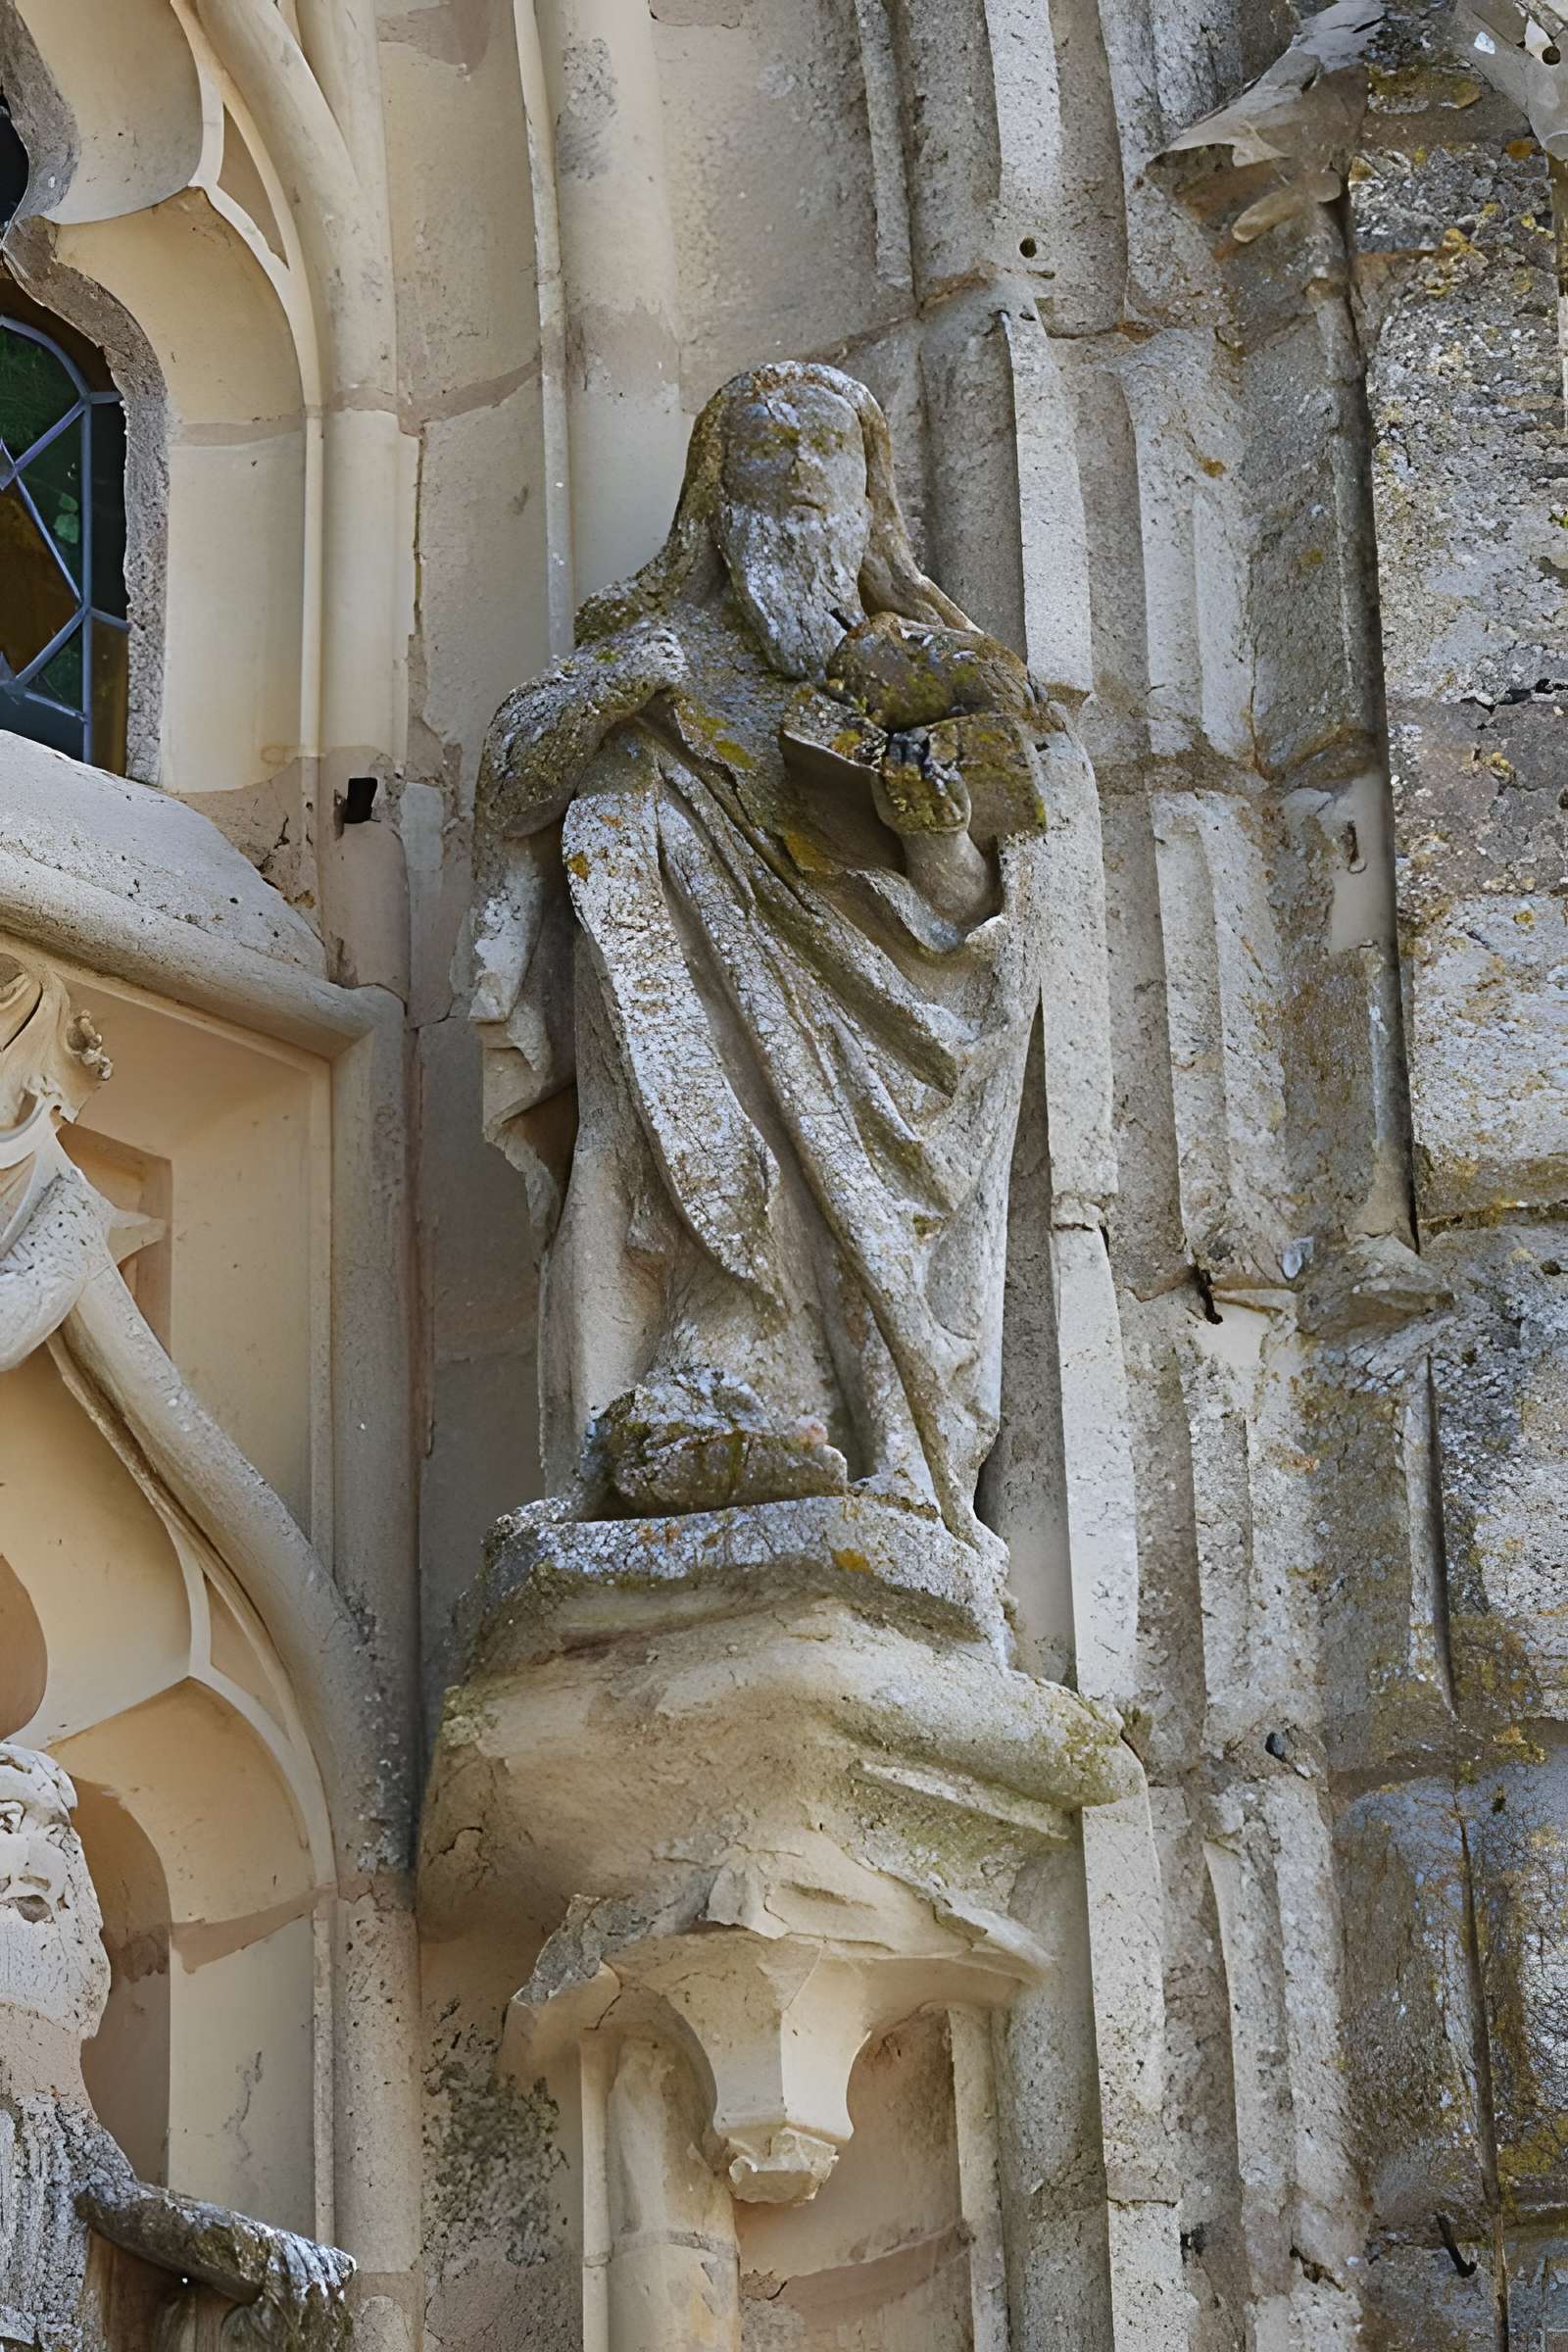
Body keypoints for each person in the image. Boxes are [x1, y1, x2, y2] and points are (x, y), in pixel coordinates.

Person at [472, 363, 1082, 1546]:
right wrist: (613, 694)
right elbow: (510, 792)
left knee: (859, 1235)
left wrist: (934, 828)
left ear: (868, 491)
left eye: (825, 448)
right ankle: (663, 1422)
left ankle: (891, 1462)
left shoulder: (919, 678)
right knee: (660, 1189)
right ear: (717, 483)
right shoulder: (649, 651)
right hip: (672, 1002)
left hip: (878, 1031)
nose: (799, 470)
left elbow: (971, 916)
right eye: (767, 445)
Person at [0, 1741, 352, 2350]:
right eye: (8, 1821)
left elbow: (139, 2305)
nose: (43, 1867)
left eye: (56, 1839)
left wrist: (276, 2277)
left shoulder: (77, 2154)